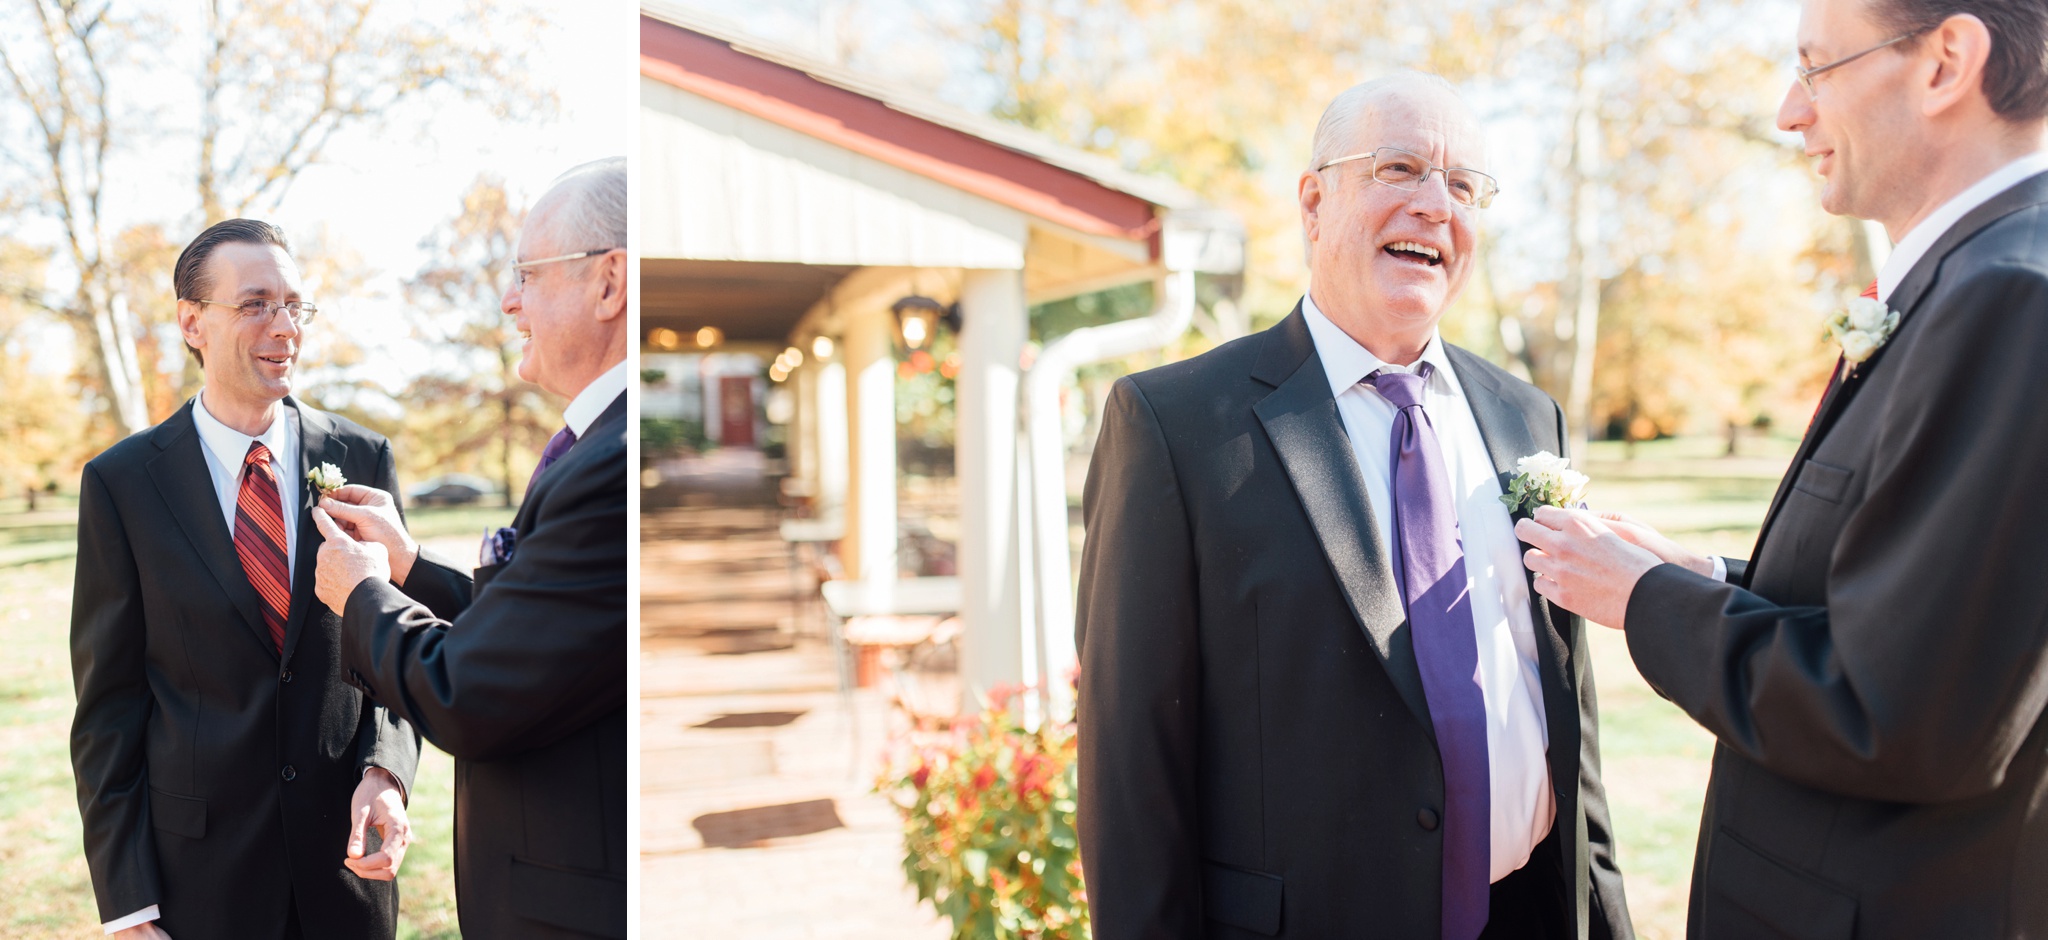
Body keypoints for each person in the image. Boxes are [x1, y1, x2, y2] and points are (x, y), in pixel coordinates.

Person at [1515, 1, 2048, 936]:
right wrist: (1707, 578)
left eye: (1816, 67)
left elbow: (1895, 716)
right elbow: (1913, 617)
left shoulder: (2010, 297)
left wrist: (1645, 600)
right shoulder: (1967, 281)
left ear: (1945, 62)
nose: (1787, 112)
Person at [1075, 75, 1633, 940]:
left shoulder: (1527, 417)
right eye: (1399, 167)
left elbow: (1568, 716)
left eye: (1462, 186)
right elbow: (1130, 772)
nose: (1432, 206)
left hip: (1529, 913)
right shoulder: (1175, 427)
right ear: (1313, 203)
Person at [69, 219, 419, 940]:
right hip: (199, 882)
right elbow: (108, 709)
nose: (283, 325)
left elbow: (397, 650)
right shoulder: (122, 484)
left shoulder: (362, 457)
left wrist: (386, 772)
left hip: (347, 871)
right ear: (191, 322)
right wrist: (128, 904)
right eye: (255, 304)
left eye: (295, 305)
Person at [309, 156, 628, 939]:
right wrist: (411, 568)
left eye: (527, 273)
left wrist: (363, 593)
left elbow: (472, 691)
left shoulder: (611, 464)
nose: (508, 300)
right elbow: (540, 632)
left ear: (610, 283)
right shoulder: (595, 446)